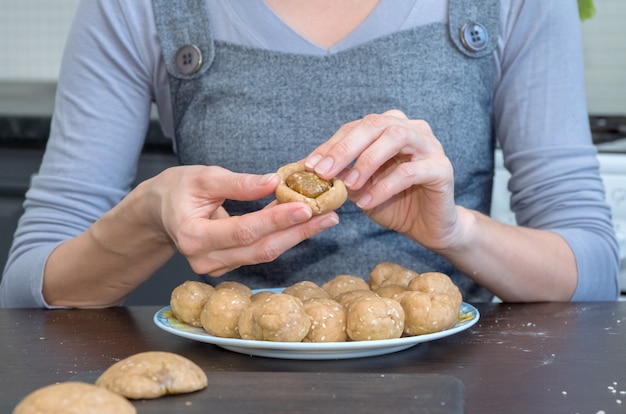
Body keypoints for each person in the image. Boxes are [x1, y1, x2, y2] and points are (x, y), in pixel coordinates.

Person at [0, 0, 619, 308]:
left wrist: (457, 232)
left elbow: (593, 265)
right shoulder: (134, 9)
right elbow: (27, 286)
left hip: (462, 390)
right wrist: (146, 219)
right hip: (226, 406)